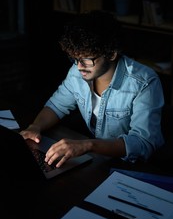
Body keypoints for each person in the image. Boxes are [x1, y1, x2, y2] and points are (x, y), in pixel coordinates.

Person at [20, 10, 165, 168]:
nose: (79, 66)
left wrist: (88, 145)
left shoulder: (144, 82)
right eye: (75, 58)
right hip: (100, 159)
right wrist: (35, 126)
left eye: (86, 59)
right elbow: (57, 105)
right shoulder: (78, 70)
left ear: (111, 54)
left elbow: (142, 143)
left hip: (134, 166)